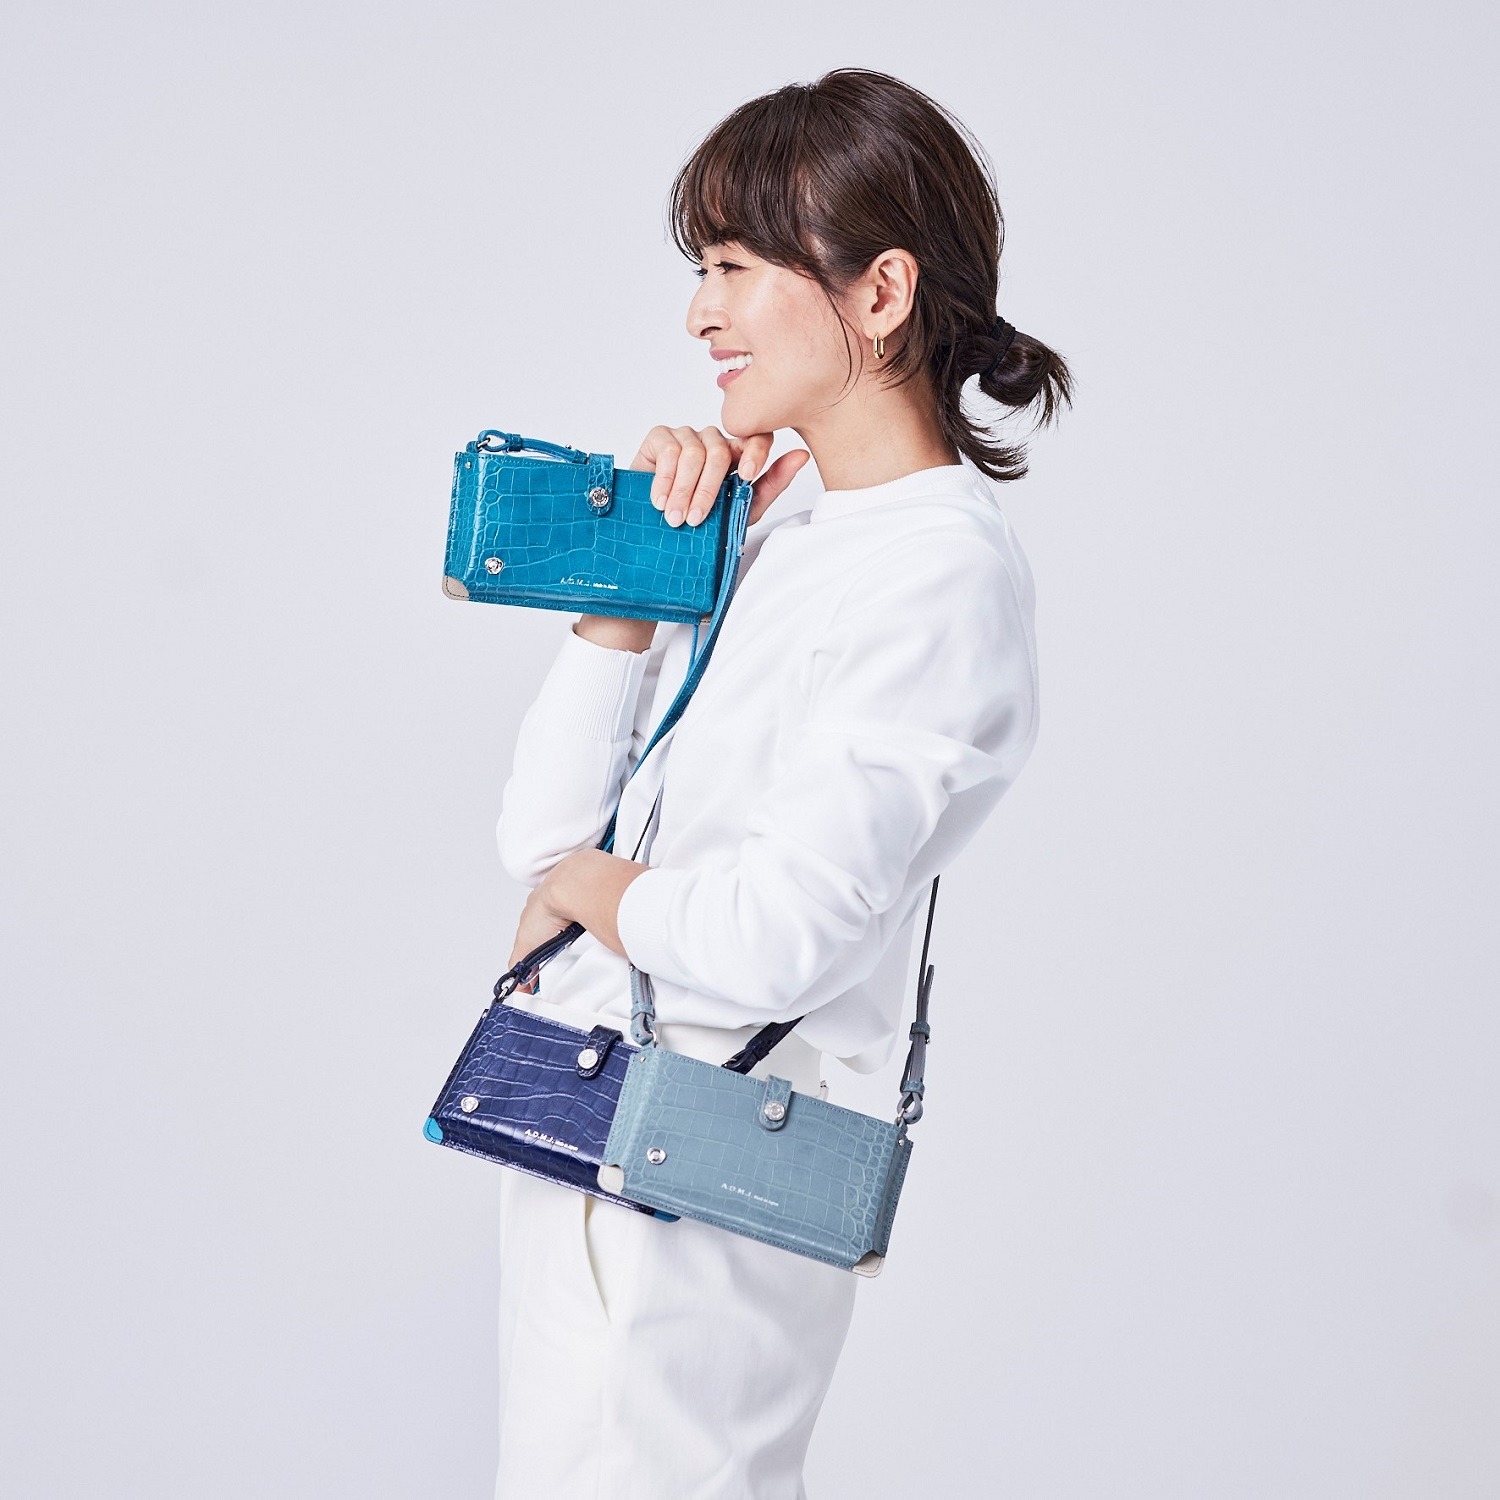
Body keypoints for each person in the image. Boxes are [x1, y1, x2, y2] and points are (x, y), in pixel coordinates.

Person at [486, 66, 1071, 1500]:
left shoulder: (937, 571)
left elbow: (778, 938)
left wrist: (586, 888)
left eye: (737, 266)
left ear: (881, 292)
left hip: (700, 1171)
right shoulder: (785, 529)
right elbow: (537, 834)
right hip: (589, 1125)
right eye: (703, 268)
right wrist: (638, 578)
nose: (701, 314)